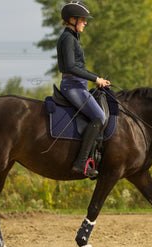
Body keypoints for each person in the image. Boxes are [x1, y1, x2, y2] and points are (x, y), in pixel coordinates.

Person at [57, 1, 110, 177]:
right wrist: (96, 78)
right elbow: (71, 67)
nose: (85, 23)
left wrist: (98, 80)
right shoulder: (67, 39)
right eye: (83, 19)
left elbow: (80, 68)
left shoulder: (72, 38)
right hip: (72, 86)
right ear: (72, 19)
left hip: (79, 85)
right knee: (99, 116)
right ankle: (81, 162)